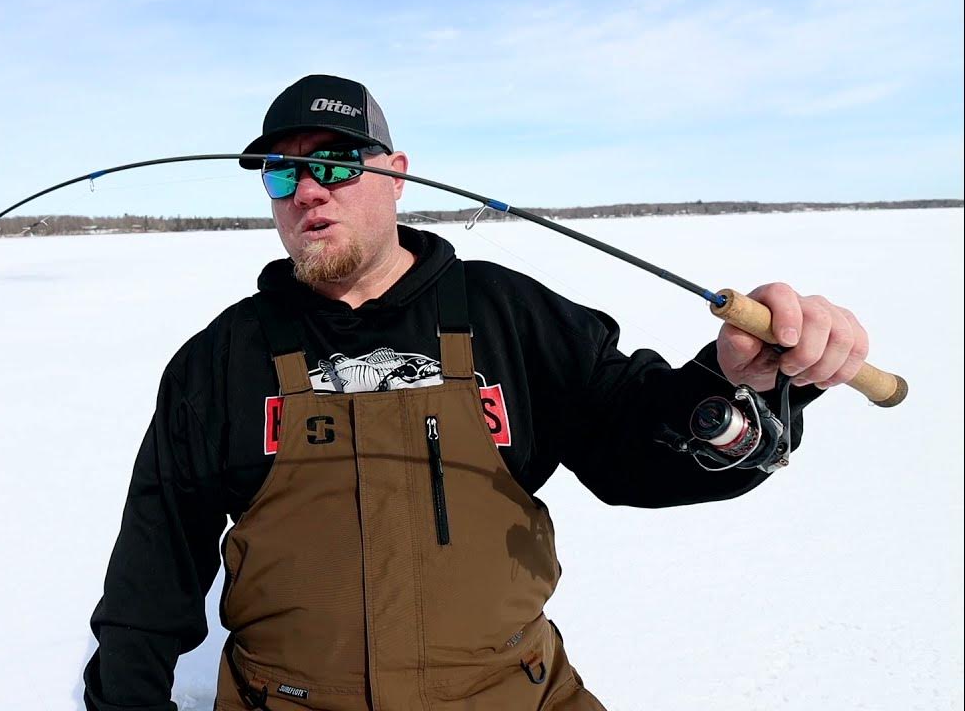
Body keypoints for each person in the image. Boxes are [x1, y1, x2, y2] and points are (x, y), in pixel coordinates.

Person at [83, 74, 869, 711]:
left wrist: (740, 387)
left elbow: (640, 453)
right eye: (284, 172)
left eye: (333, 163)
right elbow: (153, 573)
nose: (307, 192)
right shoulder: (221, 359)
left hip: (509, 696)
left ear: (394, 173)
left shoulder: (508, 316)